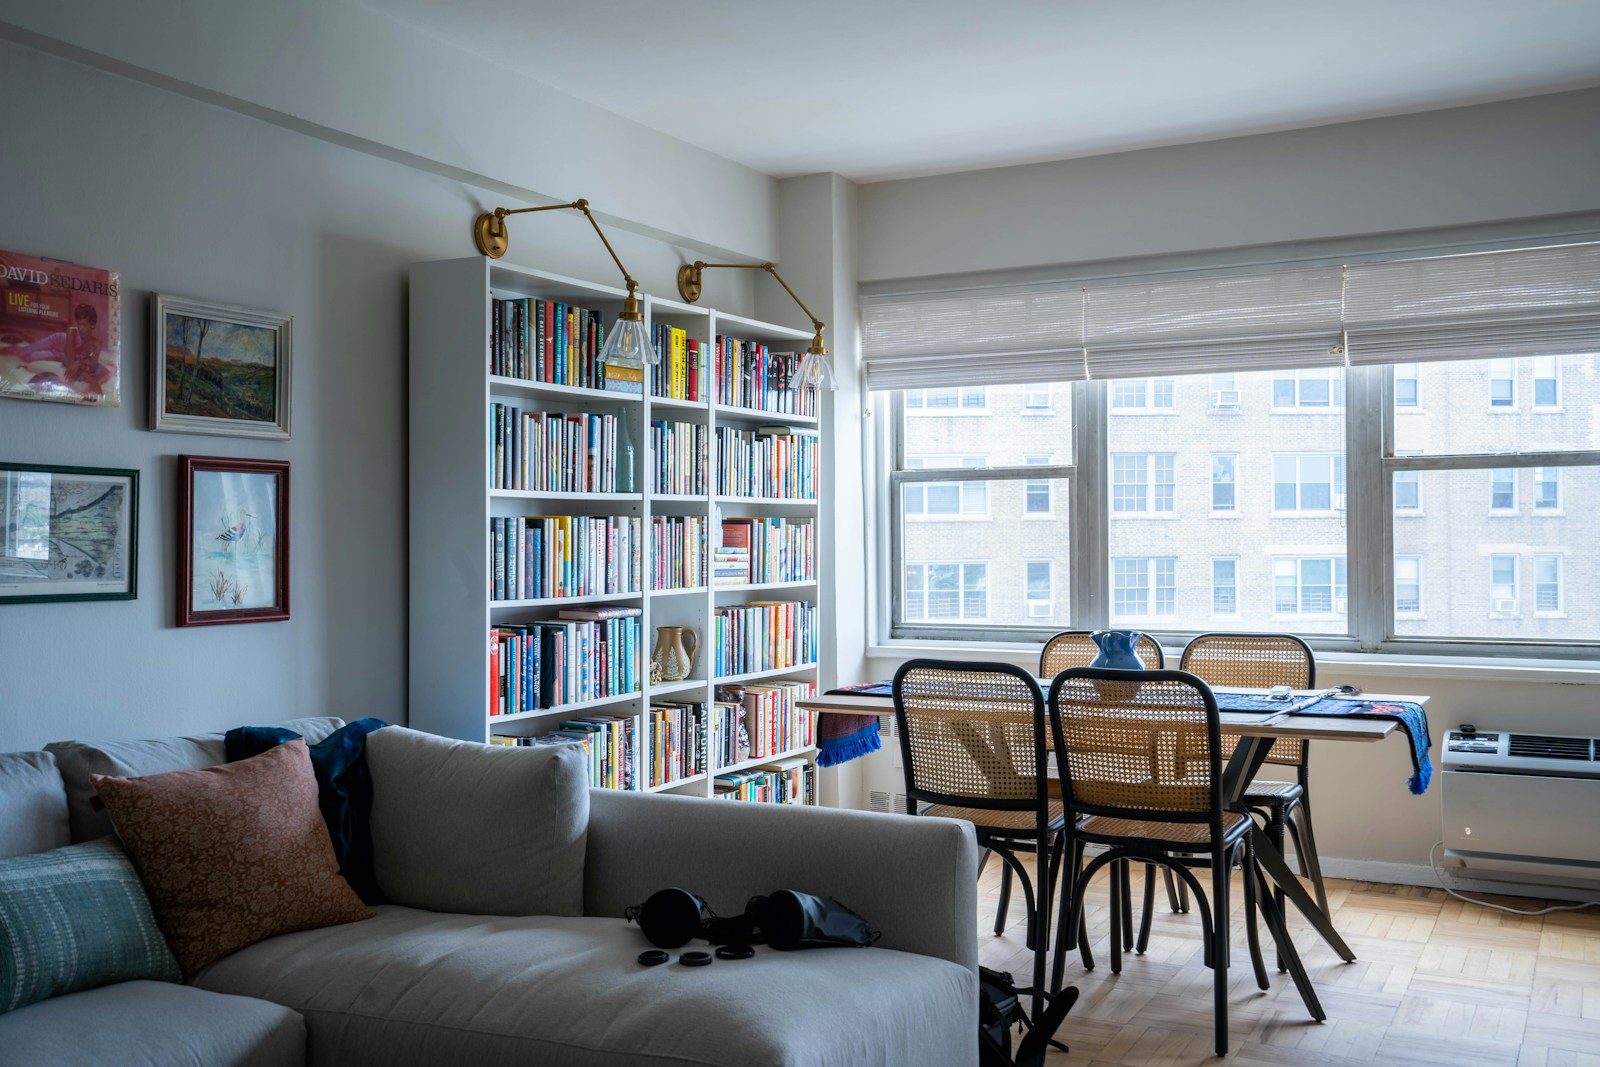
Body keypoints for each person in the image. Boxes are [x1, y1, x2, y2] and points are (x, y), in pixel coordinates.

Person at [13, 303, 111, 399]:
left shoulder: (96, 343)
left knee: (32, 358)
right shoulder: (71, 331)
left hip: (61, 355)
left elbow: (92, 367)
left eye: (84, 325)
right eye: (79, 324)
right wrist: (90, 379)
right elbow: (71, 364)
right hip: (58, 341)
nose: (80, 328)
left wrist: (80, 364)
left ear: (92, 325)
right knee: (24, 353)